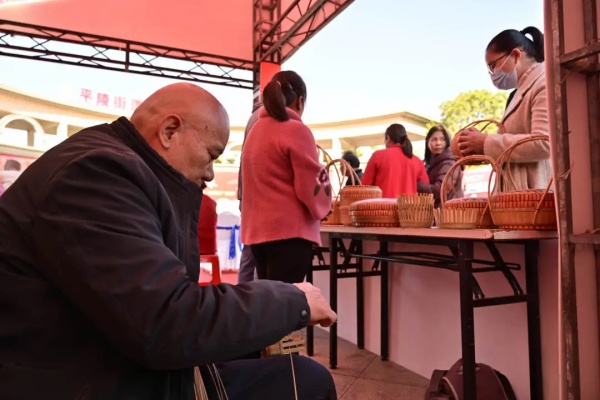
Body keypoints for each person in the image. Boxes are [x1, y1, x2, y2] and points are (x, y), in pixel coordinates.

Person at [0, 82, 338, 400]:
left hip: (104, 358)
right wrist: (293, 300)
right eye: (211, 154)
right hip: (84, 378)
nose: (210, 173)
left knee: (281, 362)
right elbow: (165, 322)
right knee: (308, 380)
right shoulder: (97, 174)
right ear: (169, 131)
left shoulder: (117, 168)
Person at [241, 71, 332, 284]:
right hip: (290, 233)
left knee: (270, 297)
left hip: (258, 233)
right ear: (299, 101)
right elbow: (311, 184)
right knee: (287, 300)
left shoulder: (256, 131)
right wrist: (325, 206)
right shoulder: (296, 130)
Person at [457, 26, 551, 191]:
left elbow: (543, 143)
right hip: (516, 192)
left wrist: (486, 141)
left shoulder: (543, 83)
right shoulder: (518, 92)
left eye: (493, 65)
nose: (493, 74)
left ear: (515, 55)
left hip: (533, 192)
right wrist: (479, 146)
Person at [361, 123, 429, 198]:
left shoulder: (378, 156)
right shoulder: (417, 161)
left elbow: (364, 188)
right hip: (408, 205)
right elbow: (425, 190)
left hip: (382, 205)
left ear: (388, 138)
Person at [237, 101, 262, 284]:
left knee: (249, 253)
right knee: (259, 255)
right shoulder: (264, 118)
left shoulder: (255, 117)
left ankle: (242, 293)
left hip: (248, 194)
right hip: (259, 195)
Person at [418, 125, 463, 207]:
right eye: (434, 139)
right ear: (428, 143)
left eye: (442, 139)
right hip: (439, 211)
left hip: (449, 211)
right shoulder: (430, 163)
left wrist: (416, 185)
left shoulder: (450, 162)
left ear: (448, 142)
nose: (438, 143)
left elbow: (440, 190)